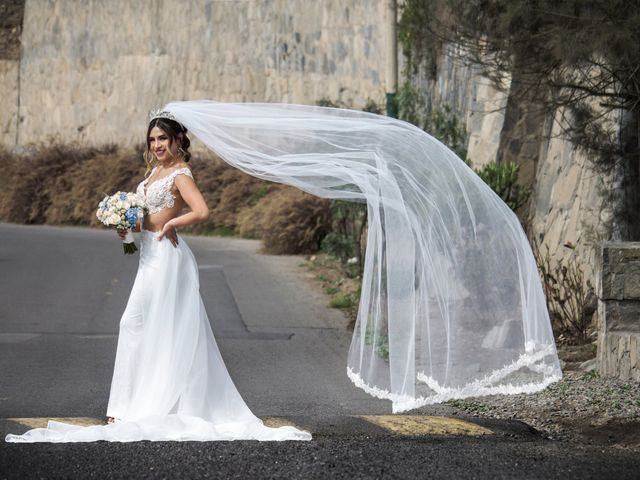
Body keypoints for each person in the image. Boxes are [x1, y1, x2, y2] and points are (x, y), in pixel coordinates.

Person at [5, 111, 312, 442]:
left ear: (177, 139)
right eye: (152, 140)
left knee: (146, 324)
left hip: (168, 257)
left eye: (162, 139)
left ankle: (136, 407)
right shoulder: (153, 172)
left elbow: (202, 211)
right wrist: (124, 229)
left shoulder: (180, 174)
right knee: (141, 325)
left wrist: (171, 224)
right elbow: (137, 232)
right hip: (148, 255)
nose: (156, 145)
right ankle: (126, 407)